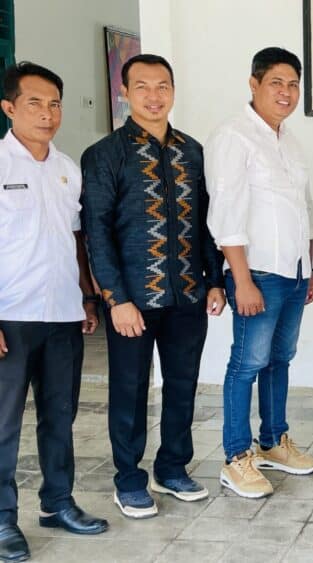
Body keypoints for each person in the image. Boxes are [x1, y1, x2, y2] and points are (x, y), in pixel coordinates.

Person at [81, 54, 225, 518]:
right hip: (133, 301)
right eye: (141, 86)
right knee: (129, 390)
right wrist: (115, 299)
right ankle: (128, 479)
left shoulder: (192, 151)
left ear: (173, 91)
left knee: (182, 385)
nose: (153, 96)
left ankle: (172, 468)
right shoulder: (105, 154)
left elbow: (208, 222)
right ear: (124, 92)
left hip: (188, 295)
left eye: (162, 86)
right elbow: (97, 232)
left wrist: (215, 280)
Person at [0, 61, 108, 562]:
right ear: (9, 108)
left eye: (54, 104)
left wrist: (86, 296)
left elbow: (76, 240)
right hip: (10, 315)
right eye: (35, 103)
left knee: (59, 417)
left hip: (63, 314)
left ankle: (58, 502)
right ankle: (3, 519)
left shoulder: (68, 168)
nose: (47, 113)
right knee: (4, 423)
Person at [206, 47, 313, 498]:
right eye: (277, 83)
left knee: (280, 359)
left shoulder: (289, 140)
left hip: (293, 272)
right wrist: (242, 280)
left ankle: (273, 441)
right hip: (257, 273)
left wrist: (309, 269)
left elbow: (304, 209)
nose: (286, 92)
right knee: (246, 363)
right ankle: (236, 457)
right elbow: (226, 214)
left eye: (293, 85)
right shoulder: (233, 136)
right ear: (254, 85)